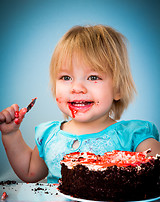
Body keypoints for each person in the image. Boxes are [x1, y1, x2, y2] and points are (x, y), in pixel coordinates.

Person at [0, 25, 160, 183]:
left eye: (93, 77)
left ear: (117, 89)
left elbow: (155, 166)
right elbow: (29, 172)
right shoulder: (50, 136)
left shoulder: (132, 136)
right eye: (66, 77)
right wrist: (10, 135)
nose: (77, 88)